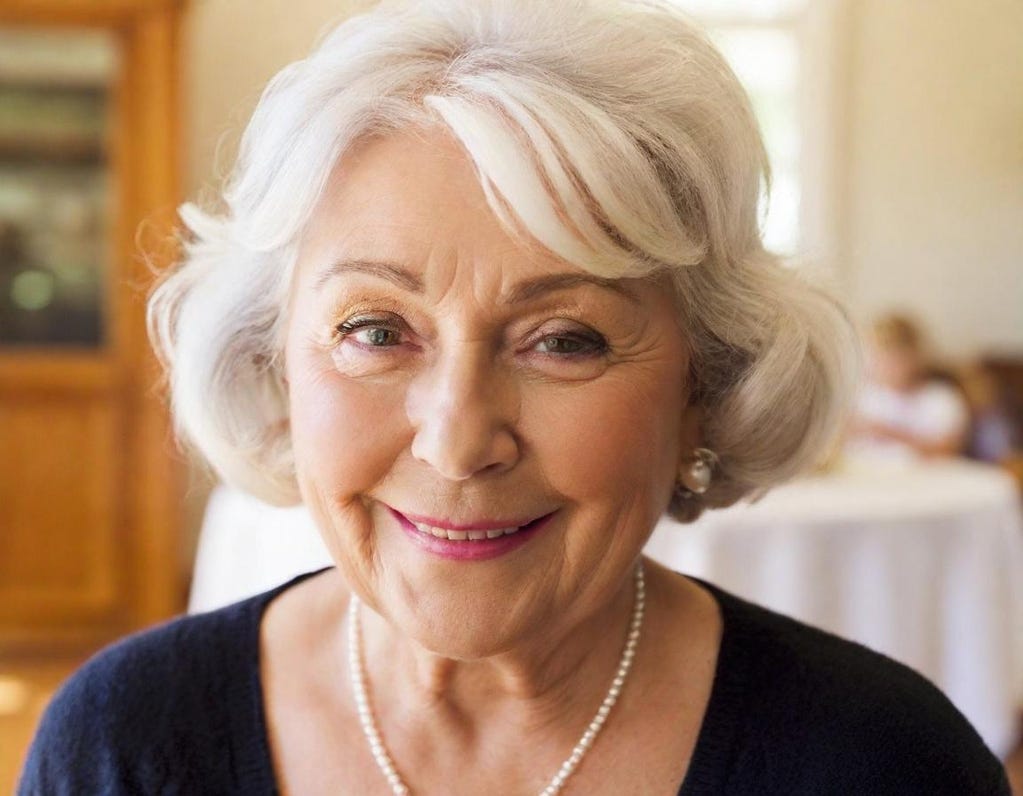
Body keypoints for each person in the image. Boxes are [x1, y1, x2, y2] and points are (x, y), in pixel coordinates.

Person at [19, 1, 1009, 793]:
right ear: (273, 365)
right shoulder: (126, 743)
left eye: (564, 340)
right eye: (376, 331)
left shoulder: (884, 762)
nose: (457, 441)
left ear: (704, 388)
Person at [846, 313, 972, 462]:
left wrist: (890, 433)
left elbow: (949, 450)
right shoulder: (863, 397)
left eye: (896, 358)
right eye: (881, 356)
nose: (888, 366)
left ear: (915, 357)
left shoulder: (941, 399)